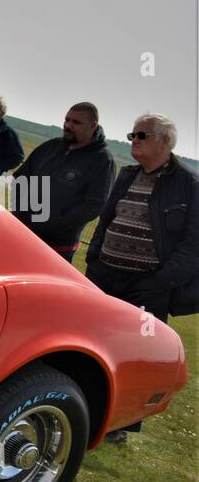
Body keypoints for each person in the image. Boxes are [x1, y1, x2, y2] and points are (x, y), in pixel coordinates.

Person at [86, 112, 199, 443]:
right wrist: (94, 260)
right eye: (132, 135)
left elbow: (194, 246)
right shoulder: (128, 174)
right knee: (95, 344)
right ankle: (86, 408)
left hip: (147, 286)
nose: (133, 141)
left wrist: (160, 282)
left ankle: (120, 426)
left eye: (141, 136)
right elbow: (106, 220)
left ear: (164, 141)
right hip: (105, 276)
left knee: (135, 355)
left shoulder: (189, 186)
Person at [11, 102, 115, 261]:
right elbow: (21, 177)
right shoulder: (51, 146)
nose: (68, 125)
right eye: (67, 120)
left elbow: (95, 204)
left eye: (76, 122)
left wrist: (57, 223)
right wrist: (21, 211)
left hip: (57, 247)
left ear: (93, 126)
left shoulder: (102, 160)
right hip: (21, 233)